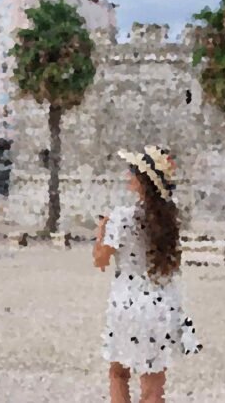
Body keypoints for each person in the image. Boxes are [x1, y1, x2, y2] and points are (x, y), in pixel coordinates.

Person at [93, 145, 201, 403]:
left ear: (141, 181)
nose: (128, 175)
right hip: (162, 304)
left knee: (119, 373)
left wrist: (101, 231)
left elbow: (100, 261)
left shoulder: (121, 218)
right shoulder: (169, 220)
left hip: (127, 304)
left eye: (132, 171)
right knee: (153, 384)